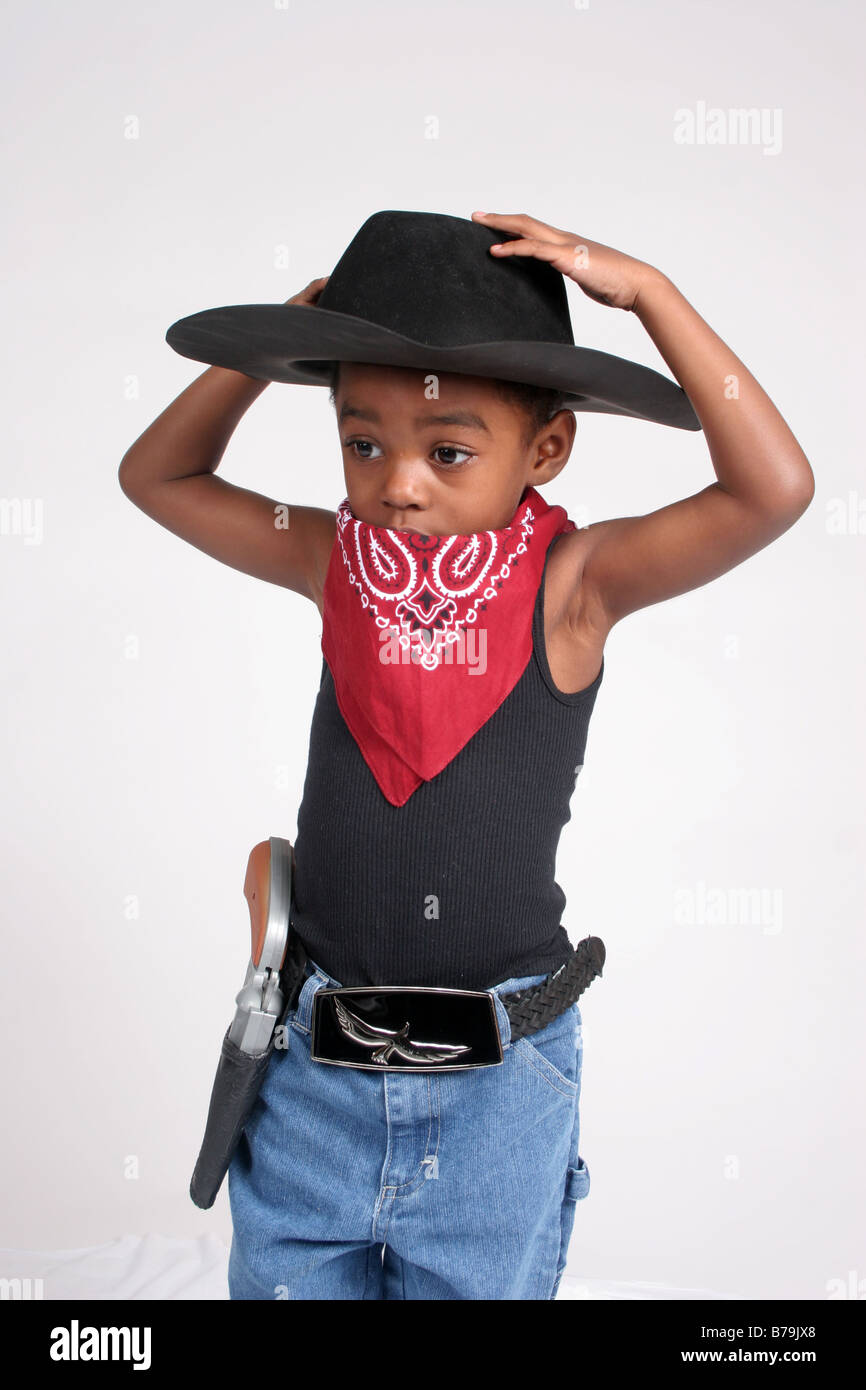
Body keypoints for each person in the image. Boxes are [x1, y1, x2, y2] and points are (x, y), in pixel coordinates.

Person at [118, 209, 814, 1299]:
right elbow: (155, 477)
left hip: (497, 1088)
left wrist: (652, 295)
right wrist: (266, 357)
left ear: (544, 449)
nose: (397, 481)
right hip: (313, 1076)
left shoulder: (572, 586)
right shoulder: (331, 559)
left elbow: (771, 489)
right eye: (361, 441)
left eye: (446, 451)